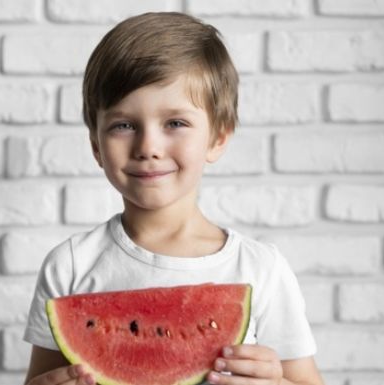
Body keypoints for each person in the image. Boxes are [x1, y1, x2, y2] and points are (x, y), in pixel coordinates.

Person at [23, 12, 324, 385]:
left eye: (175, 123)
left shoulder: (261, 269)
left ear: (218, 138)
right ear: (96, 146)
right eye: (124, 125)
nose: (148, 147)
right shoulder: (69, 266)